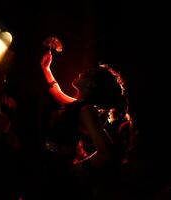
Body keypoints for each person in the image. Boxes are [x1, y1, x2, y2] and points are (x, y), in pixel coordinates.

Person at [39, 49, 131, 199]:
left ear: (91, 85)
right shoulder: (80, 105)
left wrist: (79, 168)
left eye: (87, 73)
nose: (83, 72)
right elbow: (57, 93)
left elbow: (107, 153)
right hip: (52, 166)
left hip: (59, 174)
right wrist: (46, 68)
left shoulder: (87, 110)